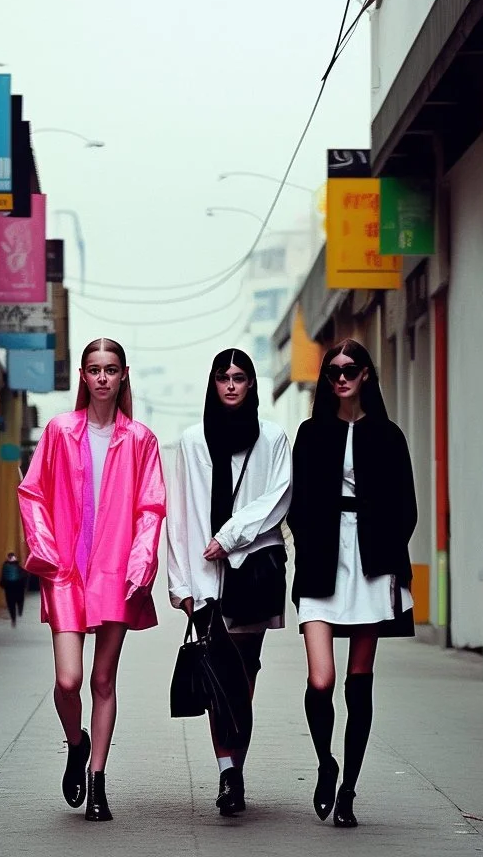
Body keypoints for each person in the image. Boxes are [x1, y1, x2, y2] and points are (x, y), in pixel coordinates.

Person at [18, 338, 166, 822]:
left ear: (124, 375)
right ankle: (76, 743)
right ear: (83, 376)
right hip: (66, 570)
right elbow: (32, 491)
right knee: (69, 678)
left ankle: (98, 780)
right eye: (94, 369)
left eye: (111, 369)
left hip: (116, 570)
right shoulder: (60, 431)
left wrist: (142, 563)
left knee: (103, 679)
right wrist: (45, 548)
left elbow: (150, 507)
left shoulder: (140, 439)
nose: (102, 377)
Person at [288, 338, 417, 829]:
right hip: (322, 561)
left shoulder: (388, 435)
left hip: (373, 562)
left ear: (366, 375)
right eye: (333, 370)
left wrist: (386, 552)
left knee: (358, 680)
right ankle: (326, 763)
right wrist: (308, 540)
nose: (341, 377)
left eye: (350, 369)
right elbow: (297, 504)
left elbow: (407, 508)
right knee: (321, 679)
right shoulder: (310, 433)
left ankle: (348, 792)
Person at [167, 348, 292, 816]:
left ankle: (235, 765)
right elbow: (177, 515)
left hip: (253, 570)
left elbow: (278, 499)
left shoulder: (273, 439)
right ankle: (228, 774)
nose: (232, 385)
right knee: (219, 678)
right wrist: (179, 583)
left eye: (240, 377)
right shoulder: (192, 441)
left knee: (243, 677)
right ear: (213, 385)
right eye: (224, 378)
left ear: (252, 384)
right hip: (205, 578)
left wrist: (229, 536)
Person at [0, 552, 27, 627]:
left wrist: (2, 584)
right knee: (20, 600)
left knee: (11, 603)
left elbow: (2, 577)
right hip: (18, 586)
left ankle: (13, 618)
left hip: (9, 587)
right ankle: (20, 610)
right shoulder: (18, 565)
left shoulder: (5, 566)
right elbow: (24, 575)